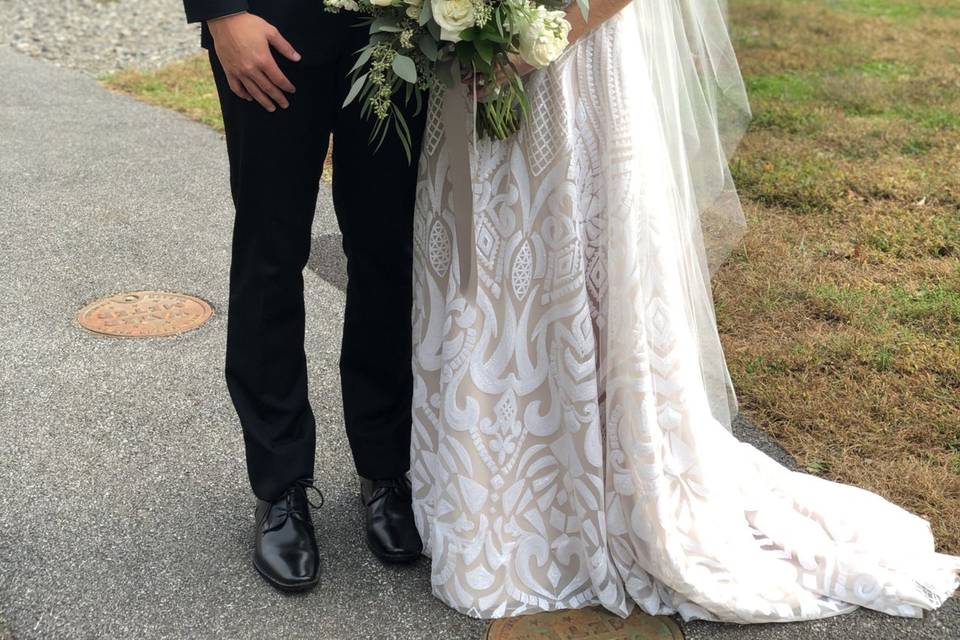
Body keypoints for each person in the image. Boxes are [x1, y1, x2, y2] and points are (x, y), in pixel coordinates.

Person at [410, 0, 960, 621]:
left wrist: (530, 45)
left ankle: (572, 497)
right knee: (485, 271)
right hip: (470, 68)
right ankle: (481, 488)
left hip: (578, 74)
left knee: (572, 265)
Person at [181, 0, 428, 592]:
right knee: (270, 253)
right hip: (269, 24)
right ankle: (280, 484)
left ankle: (386, 465)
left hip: (398, 28)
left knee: (388, 251)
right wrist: (220, 16)